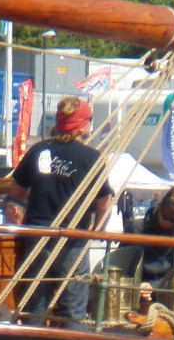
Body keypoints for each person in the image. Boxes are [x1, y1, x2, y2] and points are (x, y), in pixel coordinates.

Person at [8, 96, 114, 325]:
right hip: (73, 242)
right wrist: (97, 229)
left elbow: (16, 191)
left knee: (32, 310)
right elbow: (105, 202)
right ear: (81, 126)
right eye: (89, 121)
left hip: (37, 238)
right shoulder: (92, 158)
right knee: (73, 312)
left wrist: (41, 188)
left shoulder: (37, 151)